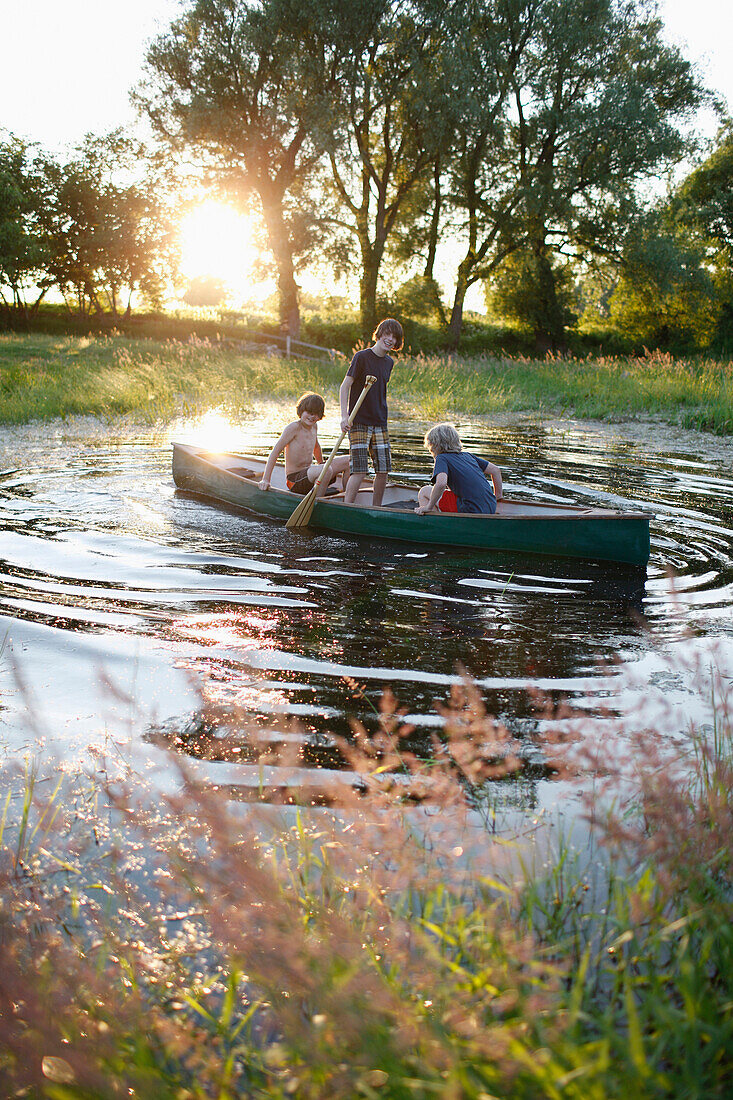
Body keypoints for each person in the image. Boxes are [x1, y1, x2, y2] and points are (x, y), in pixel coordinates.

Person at [339, 318, 404, 507]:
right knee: (359, 470)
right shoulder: (361, 357)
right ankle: (347, 506)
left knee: (383, 471)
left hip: (380, 422)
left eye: (394, 336)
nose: (390, 339)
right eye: (387, 334)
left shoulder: (389, 363)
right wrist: (344, 417)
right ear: (379, 334)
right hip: (358, 421)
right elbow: (345, 387)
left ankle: (377, 508)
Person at [258, 392, 350, 496]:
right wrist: (265, 479)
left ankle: (346, 499)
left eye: (316, 413)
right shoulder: (294, 428)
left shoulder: (314, 427)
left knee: (349, 461)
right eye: (309, 412)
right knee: (326, 470)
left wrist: (321, 463)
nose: (312, 416)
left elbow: (315, 446)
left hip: (308, 475)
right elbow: (275, 452)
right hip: (295, 480)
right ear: (301, 411)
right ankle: (316, 502)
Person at [416, 422, 503, 515]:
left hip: (469, 509)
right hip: (491, 506)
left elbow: (441, 483)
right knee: (449, 492)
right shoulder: (468, 456)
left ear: (434, 445)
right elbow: (495, 470)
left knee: (424, 491)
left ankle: (436, 524)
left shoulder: (442, 458)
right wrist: (497, 496)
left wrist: (428, 506)